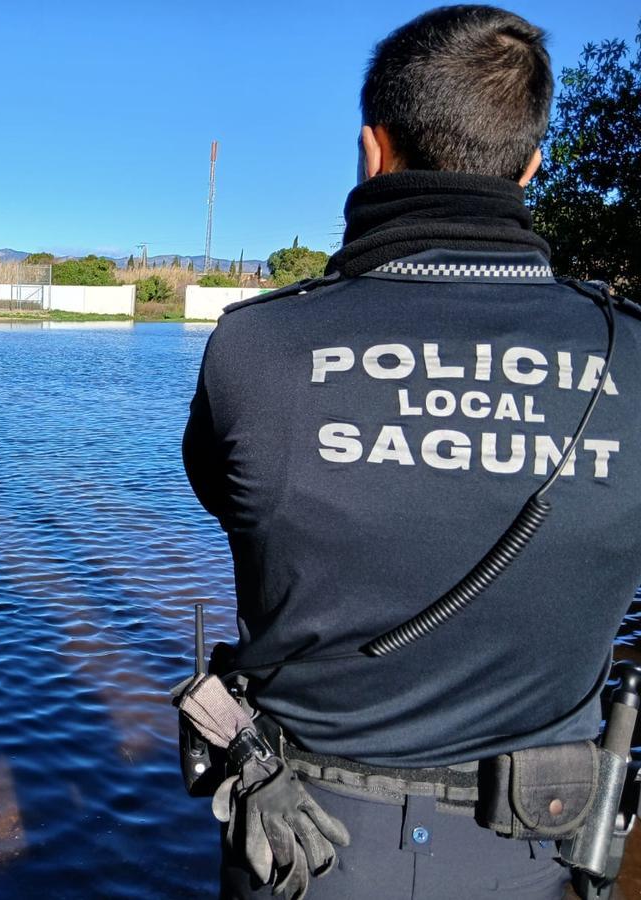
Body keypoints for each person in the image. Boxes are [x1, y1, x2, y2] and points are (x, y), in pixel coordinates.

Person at [181, 6, 641, 899]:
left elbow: (227, 500)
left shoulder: (257, 348)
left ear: (371, 150)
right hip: (540, 854)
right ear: (531, 165)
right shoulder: (633, 353)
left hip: (303, 849)